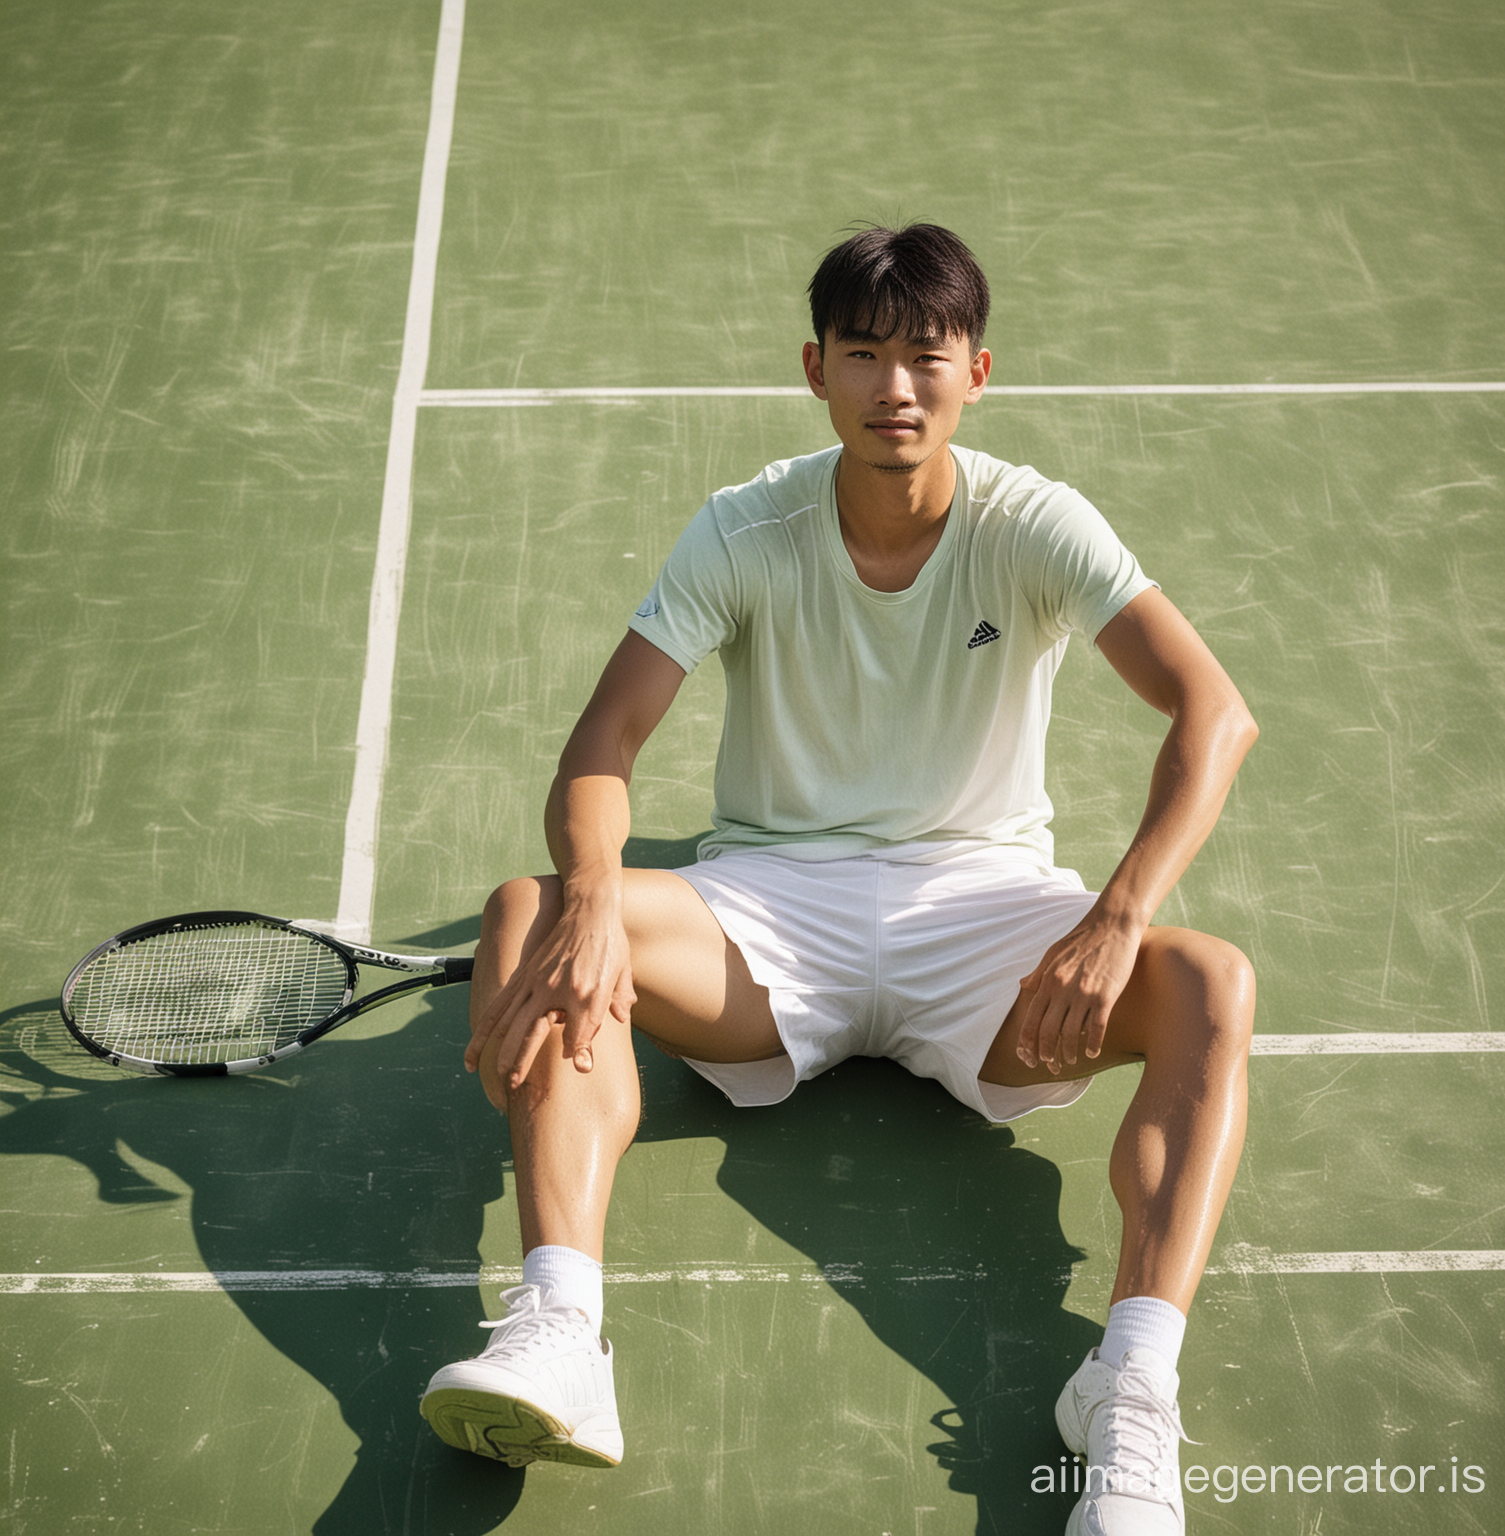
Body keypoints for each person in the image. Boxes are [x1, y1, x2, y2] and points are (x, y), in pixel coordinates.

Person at [420, 223, 1258, 1534]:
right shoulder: (746, 527)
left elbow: (1214, 714)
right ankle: (561, 1334)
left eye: (925, 357)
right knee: (532, 911)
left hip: (986, 921)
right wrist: (592, 900)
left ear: (980, 370)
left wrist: (1118, 914)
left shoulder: (1036, 523)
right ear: (815, 368)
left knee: (1212, 982)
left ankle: (1129, 1395)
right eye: (864, 356)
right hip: (769, 914)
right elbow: (604, 747)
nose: (896, 390)